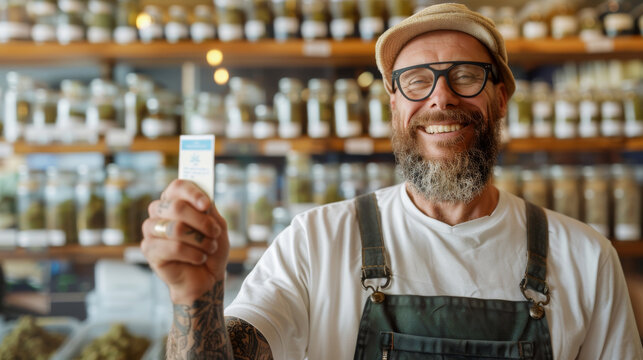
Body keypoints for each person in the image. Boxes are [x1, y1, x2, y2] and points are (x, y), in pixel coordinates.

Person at [141, 3, 643, 359]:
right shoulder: (316, 241)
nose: (441, 98)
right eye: (417, 81)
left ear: (500, 100)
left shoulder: (586, 258)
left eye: (465, 76)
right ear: (394, 107)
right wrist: (195, 296)